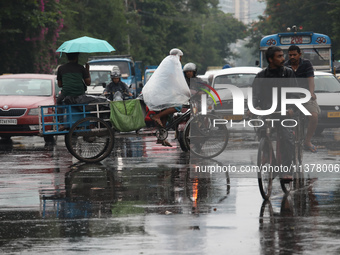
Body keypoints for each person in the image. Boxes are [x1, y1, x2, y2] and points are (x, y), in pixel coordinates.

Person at [251, 46, 299, 179]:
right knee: (261, 130)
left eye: (283, 56)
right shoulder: (261, 76)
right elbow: (255, 95)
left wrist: (291, 109)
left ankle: (287, 170)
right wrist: (253, 107)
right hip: (267, 112)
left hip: (285, 112)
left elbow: (295, 94)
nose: (283, 59)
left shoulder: (288, 73)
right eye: (279, 56)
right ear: (270, 59)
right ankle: (268, 156)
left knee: (287, 137)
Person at [142, 48, 190, 146]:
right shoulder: (174, 64)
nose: (180, 59)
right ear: (178, 56)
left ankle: (161, 138)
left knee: (165, 114)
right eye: (180, 57)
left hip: (157, 93)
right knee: (178, 106)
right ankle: (156, 116)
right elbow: (177, 82)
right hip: (160, 94)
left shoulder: (167, 62)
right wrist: (187, 93)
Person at [284, 45, 320, 153]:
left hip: (305, 95)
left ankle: (307, 141)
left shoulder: (307, 64)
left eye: (295, 54)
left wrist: (311, 93)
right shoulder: (285, 66)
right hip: (289, 97)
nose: (292, 57)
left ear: (300, 54)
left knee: (314, 116)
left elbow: (310, 80)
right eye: (290, 55)